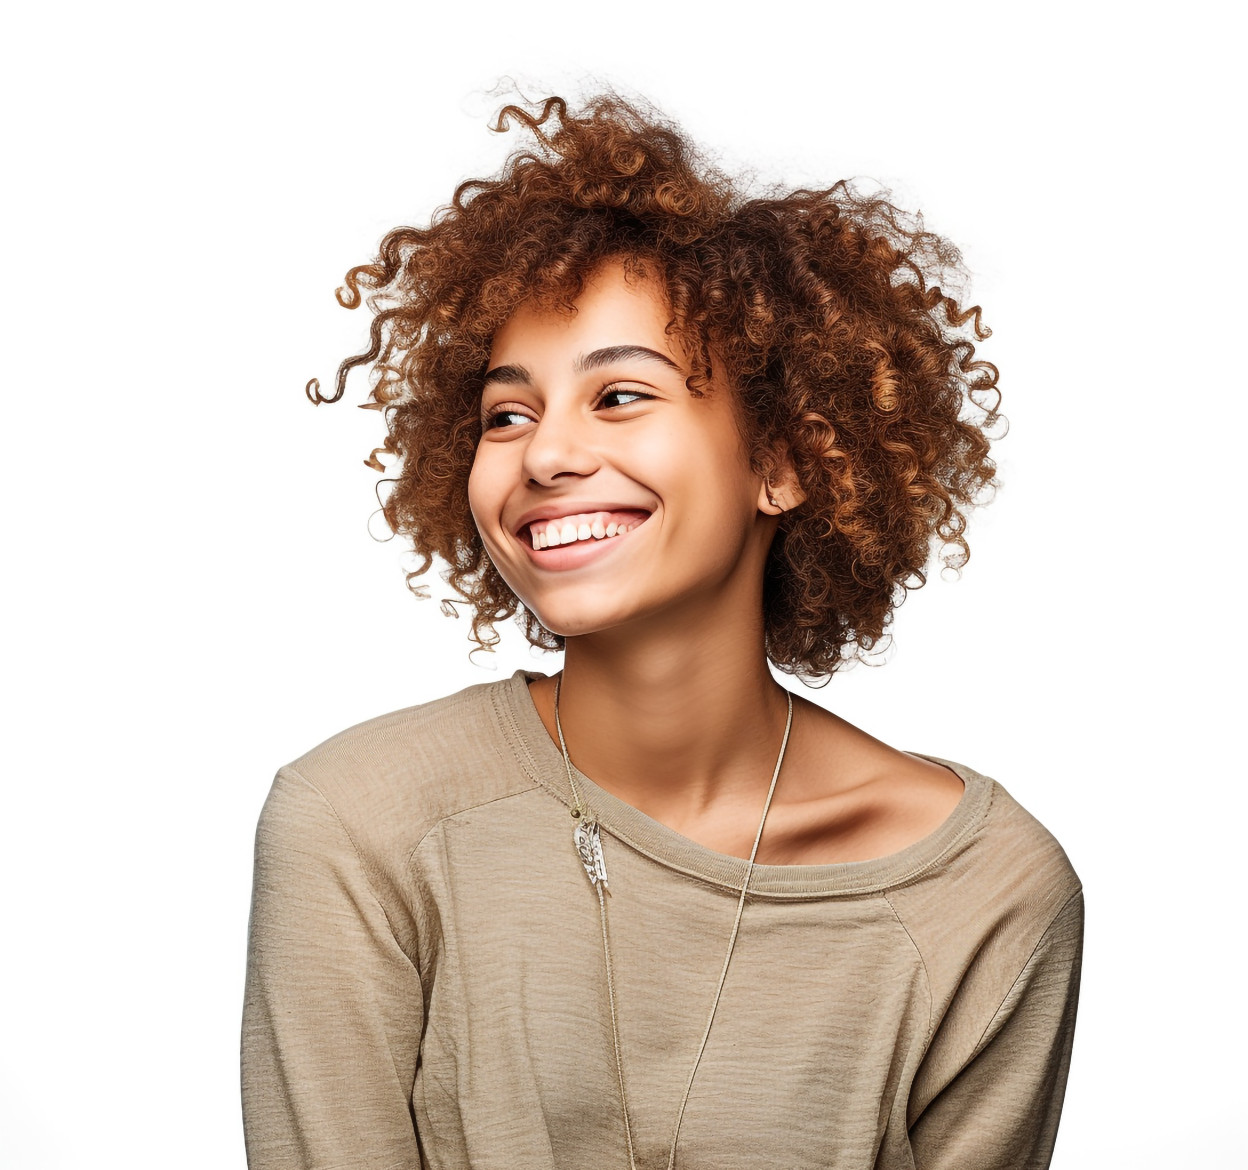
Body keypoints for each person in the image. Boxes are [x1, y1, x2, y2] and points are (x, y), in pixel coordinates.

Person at [240, 93, 1083, 1170]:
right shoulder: (360, 824)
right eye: (506, 413)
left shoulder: (982, 893)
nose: (543, 456)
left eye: (620, 396)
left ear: (784, 459)